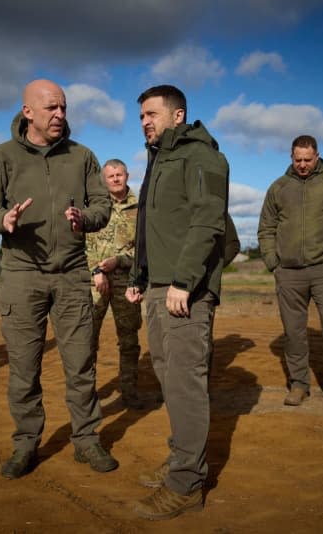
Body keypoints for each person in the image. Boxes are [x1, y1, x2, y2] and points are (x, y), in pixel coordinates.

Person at [0, 79, 117, 479]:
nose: (60, 115)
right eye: (52, 107)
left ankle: (87, 441)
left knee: (81, 364)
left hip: (71, 274)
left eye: (64, 108)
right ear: (28, 111)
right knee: (23, 368)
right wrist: (2, 219)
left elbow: (102, 205)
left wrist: (83, 219)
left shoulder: (82, 156)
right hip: (21, 275)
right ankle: (25, 445)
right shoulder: (1, 157)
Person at [126, 85, 229, 520]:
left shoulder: (201, 156)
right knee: (168, 376)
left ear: (177, 114)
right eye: (142, 116)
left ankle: (187, 484)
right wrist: (138, 276)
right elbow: (151, 226)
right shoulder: (159, 158)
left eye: (152, 114)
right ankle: (181, 456)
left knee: (185, 382)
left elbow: (208, 222)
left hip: (185, 290)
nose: (145, 121)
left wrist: (185, 281)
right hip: (157, 285)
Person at [257, 135, 323, 415]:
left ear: (317, 156)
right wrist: (273, 263)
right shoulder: (278, 188)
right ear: (291, 157)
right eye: (298, 160)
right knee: (294, 333)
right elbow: (266, 228)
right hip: (289, 273)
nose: (303, 165)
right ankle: (299, 384)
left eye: (308, 159)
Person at [86, 159, 143, 409]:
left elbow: (144, 250)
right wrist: (96, 271)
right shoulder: (94, 207)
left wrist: (119, 261)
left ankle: (130, 393)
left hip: (126, 281)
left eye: (120, 174)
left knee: (129, 340)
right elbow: (80, 245)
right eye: (111, 176)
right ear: (103, 179)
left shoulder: (141, 208)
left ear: (127, 175)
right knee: (87, 341)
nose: (116, 179)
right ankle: (87, 397)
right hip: (94, 283)